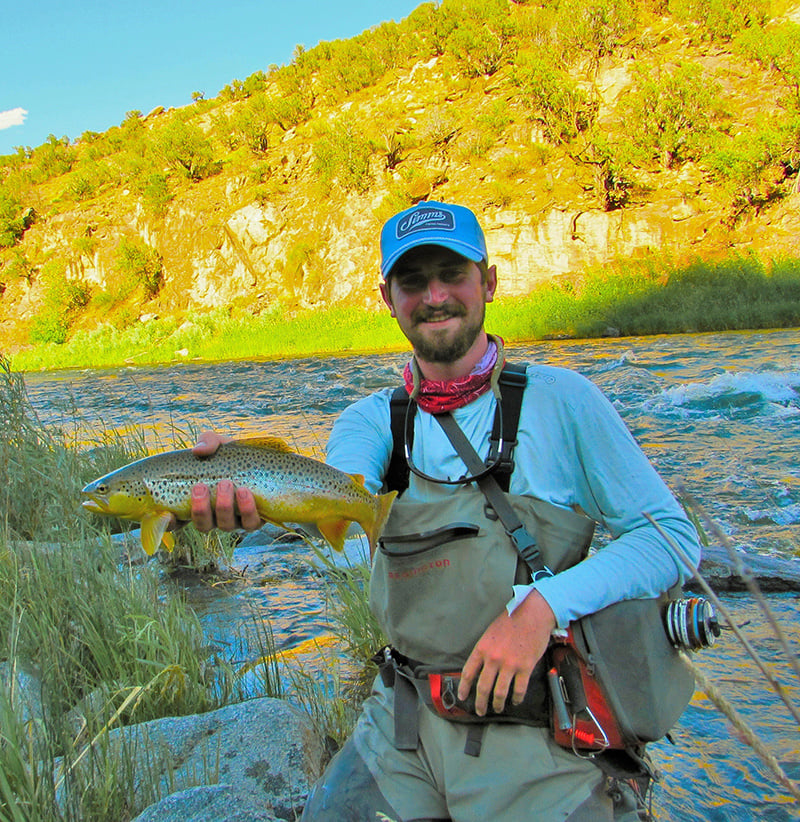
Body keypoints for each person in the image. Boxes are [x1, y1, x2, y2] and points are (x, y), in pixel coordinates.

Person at [191, 201, 701, 821]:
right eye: (413, 281)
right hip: (401, 724)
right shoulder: (370, 421)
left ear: (487, 281)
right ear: (388, 296)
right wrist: (245, 483)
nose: (434, 295)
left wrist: (541, 609)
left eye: (451, 273)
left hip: (537, 732)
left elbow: (672, 540)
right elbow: (347, 525)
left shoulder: (563, 402)